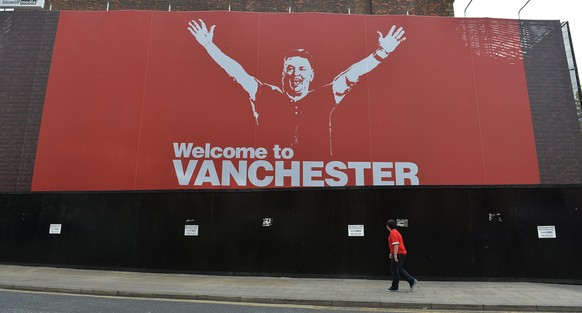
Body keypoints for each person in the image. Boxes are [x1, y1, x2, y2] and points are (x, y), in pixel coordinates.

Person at [187, 19, 406, 156]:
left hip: (317, 175)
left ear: (311, 75)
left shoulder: (323, 97)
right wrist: (209, 46)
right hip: (270, 171)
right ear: (283, 74)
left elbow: (352, 75)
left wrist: (381, 53)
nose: (295, 74)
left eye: (301, 69)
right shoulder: (265, 94)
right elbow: (236, 72)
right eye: (290, 69)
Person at [386, 219, 417, 291]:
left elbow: (396, 245)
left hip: (399, 253)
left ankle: (395, 287)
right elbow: (393, 245)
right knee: (398, 269)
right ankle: (411, 280)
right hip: (400, 253)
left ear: (387, 226)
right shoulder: (395, 232)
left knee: (395, 270)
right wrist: (391, 253)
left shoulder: (393, 233)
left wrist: (395, 255)